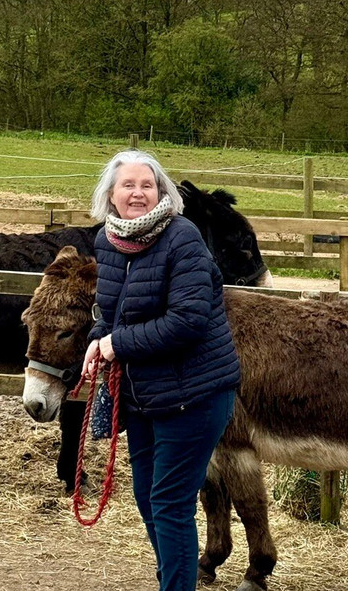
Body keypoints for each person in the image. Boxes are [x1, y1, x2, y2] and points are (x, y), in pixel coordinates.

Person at [81, 149, 240, 591]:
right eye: (128, 185)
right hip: (144, 394)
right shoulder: (107, 241)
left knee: (169, 503)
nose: (138, 193)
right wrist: (99, 338)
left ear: (161, 191)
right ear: (111, 195)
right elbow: (112, 311)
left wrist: (116, 343)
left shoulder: (182, 238)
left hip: (195, 394)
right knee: (150, 501)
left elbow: (188, 321)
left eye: (147, 185)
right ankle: (175, 575)